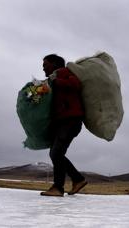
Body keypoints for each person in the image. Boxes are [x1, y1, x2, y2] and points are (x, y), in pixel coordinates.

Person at [40, 54, 87, 197]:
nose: (43, 69)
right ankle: (77, 179)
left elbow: (76, 85)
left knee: (56, 153)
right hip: (61, 122)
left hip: (70, 120)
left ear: (54, 64)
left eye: (45, 65)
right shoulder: (52, 79)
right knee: (55, 153)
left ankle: (58, 188)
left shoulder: (65, 73)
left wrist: (57, 80)